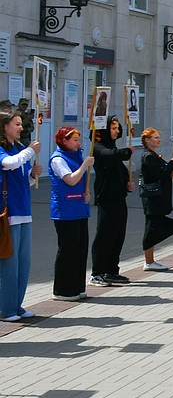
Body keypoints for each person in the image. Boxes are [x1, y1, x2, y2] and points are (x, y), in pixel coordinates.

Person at [1, 110, 42, 322]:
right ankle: (6, 309)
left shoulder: (18, 148)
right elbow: (9, 164)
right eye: (16, 124)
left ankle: (17, 305)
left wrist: (33, 174)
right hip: (8, 213)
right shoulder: (4, 149)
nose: (21, 127)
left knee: (23, 263)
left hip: (24, 211)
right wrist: (30, 151)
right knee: (9, 264)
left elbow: (20, 177)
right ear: (4, 126)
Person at [49, 127, 95, 301]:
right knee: (68, 250)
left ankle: (77, 287)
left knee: (80, 249)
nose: (78, 142)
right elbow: (70, 179)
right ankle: (63, 290)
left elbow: (81, 182)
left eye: (78, 139)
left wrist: (86, 193)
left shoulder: (75, 156)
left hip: (79, 209)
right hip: (65, 211)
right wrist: (85, 165)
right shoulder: (58, 159)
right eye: (74, 139)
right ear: (64, 141)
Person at [90, 116, 134, 286]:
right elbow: (112, 156)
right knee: (105, 235)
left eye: (117, 128)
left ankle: (111, 270)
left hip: (118, 197)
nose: (116, 131)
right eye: (113, 128)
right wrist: (127, 151)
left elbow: (119, 170)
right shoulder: (98, 147)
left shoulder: (112, 146)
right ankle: (97, 272)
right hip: (106, 198)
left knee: (118, 235)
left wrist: (127, 184)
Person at [139, 128, 173, 271]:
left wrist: (170, 171)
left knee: (156, 227)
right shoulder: (148, 156)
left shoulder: (154, 155)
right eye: (155, 137)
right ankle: (149, 261)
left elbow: (163, 172)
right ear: (147, 140)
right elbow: (160, 173)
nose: (159, 140)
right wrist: (172, 164)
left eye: (159, 137)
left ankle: (150, 260)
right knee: (151, 229)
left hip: (158, 198)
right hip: (153, 199)